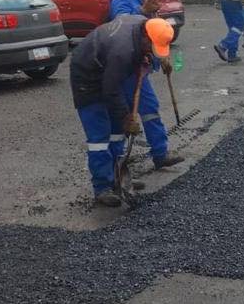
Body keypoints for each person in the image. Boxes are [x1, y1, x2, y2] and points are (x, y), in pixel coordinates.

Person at [70, 15, 181, 207]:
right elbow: (111, 89)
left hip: (108, 72)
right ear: (146, 36)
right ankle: (102, 187)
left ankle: (117, 176)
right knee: (99, 137)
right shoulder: (122, 52)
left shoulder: (141, 23)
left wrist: (150, 57)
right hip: (87, 78)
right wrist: (126, 117)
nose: (151, 51)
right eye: (151, 47)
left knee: (117, 133)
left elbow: (115, 85)